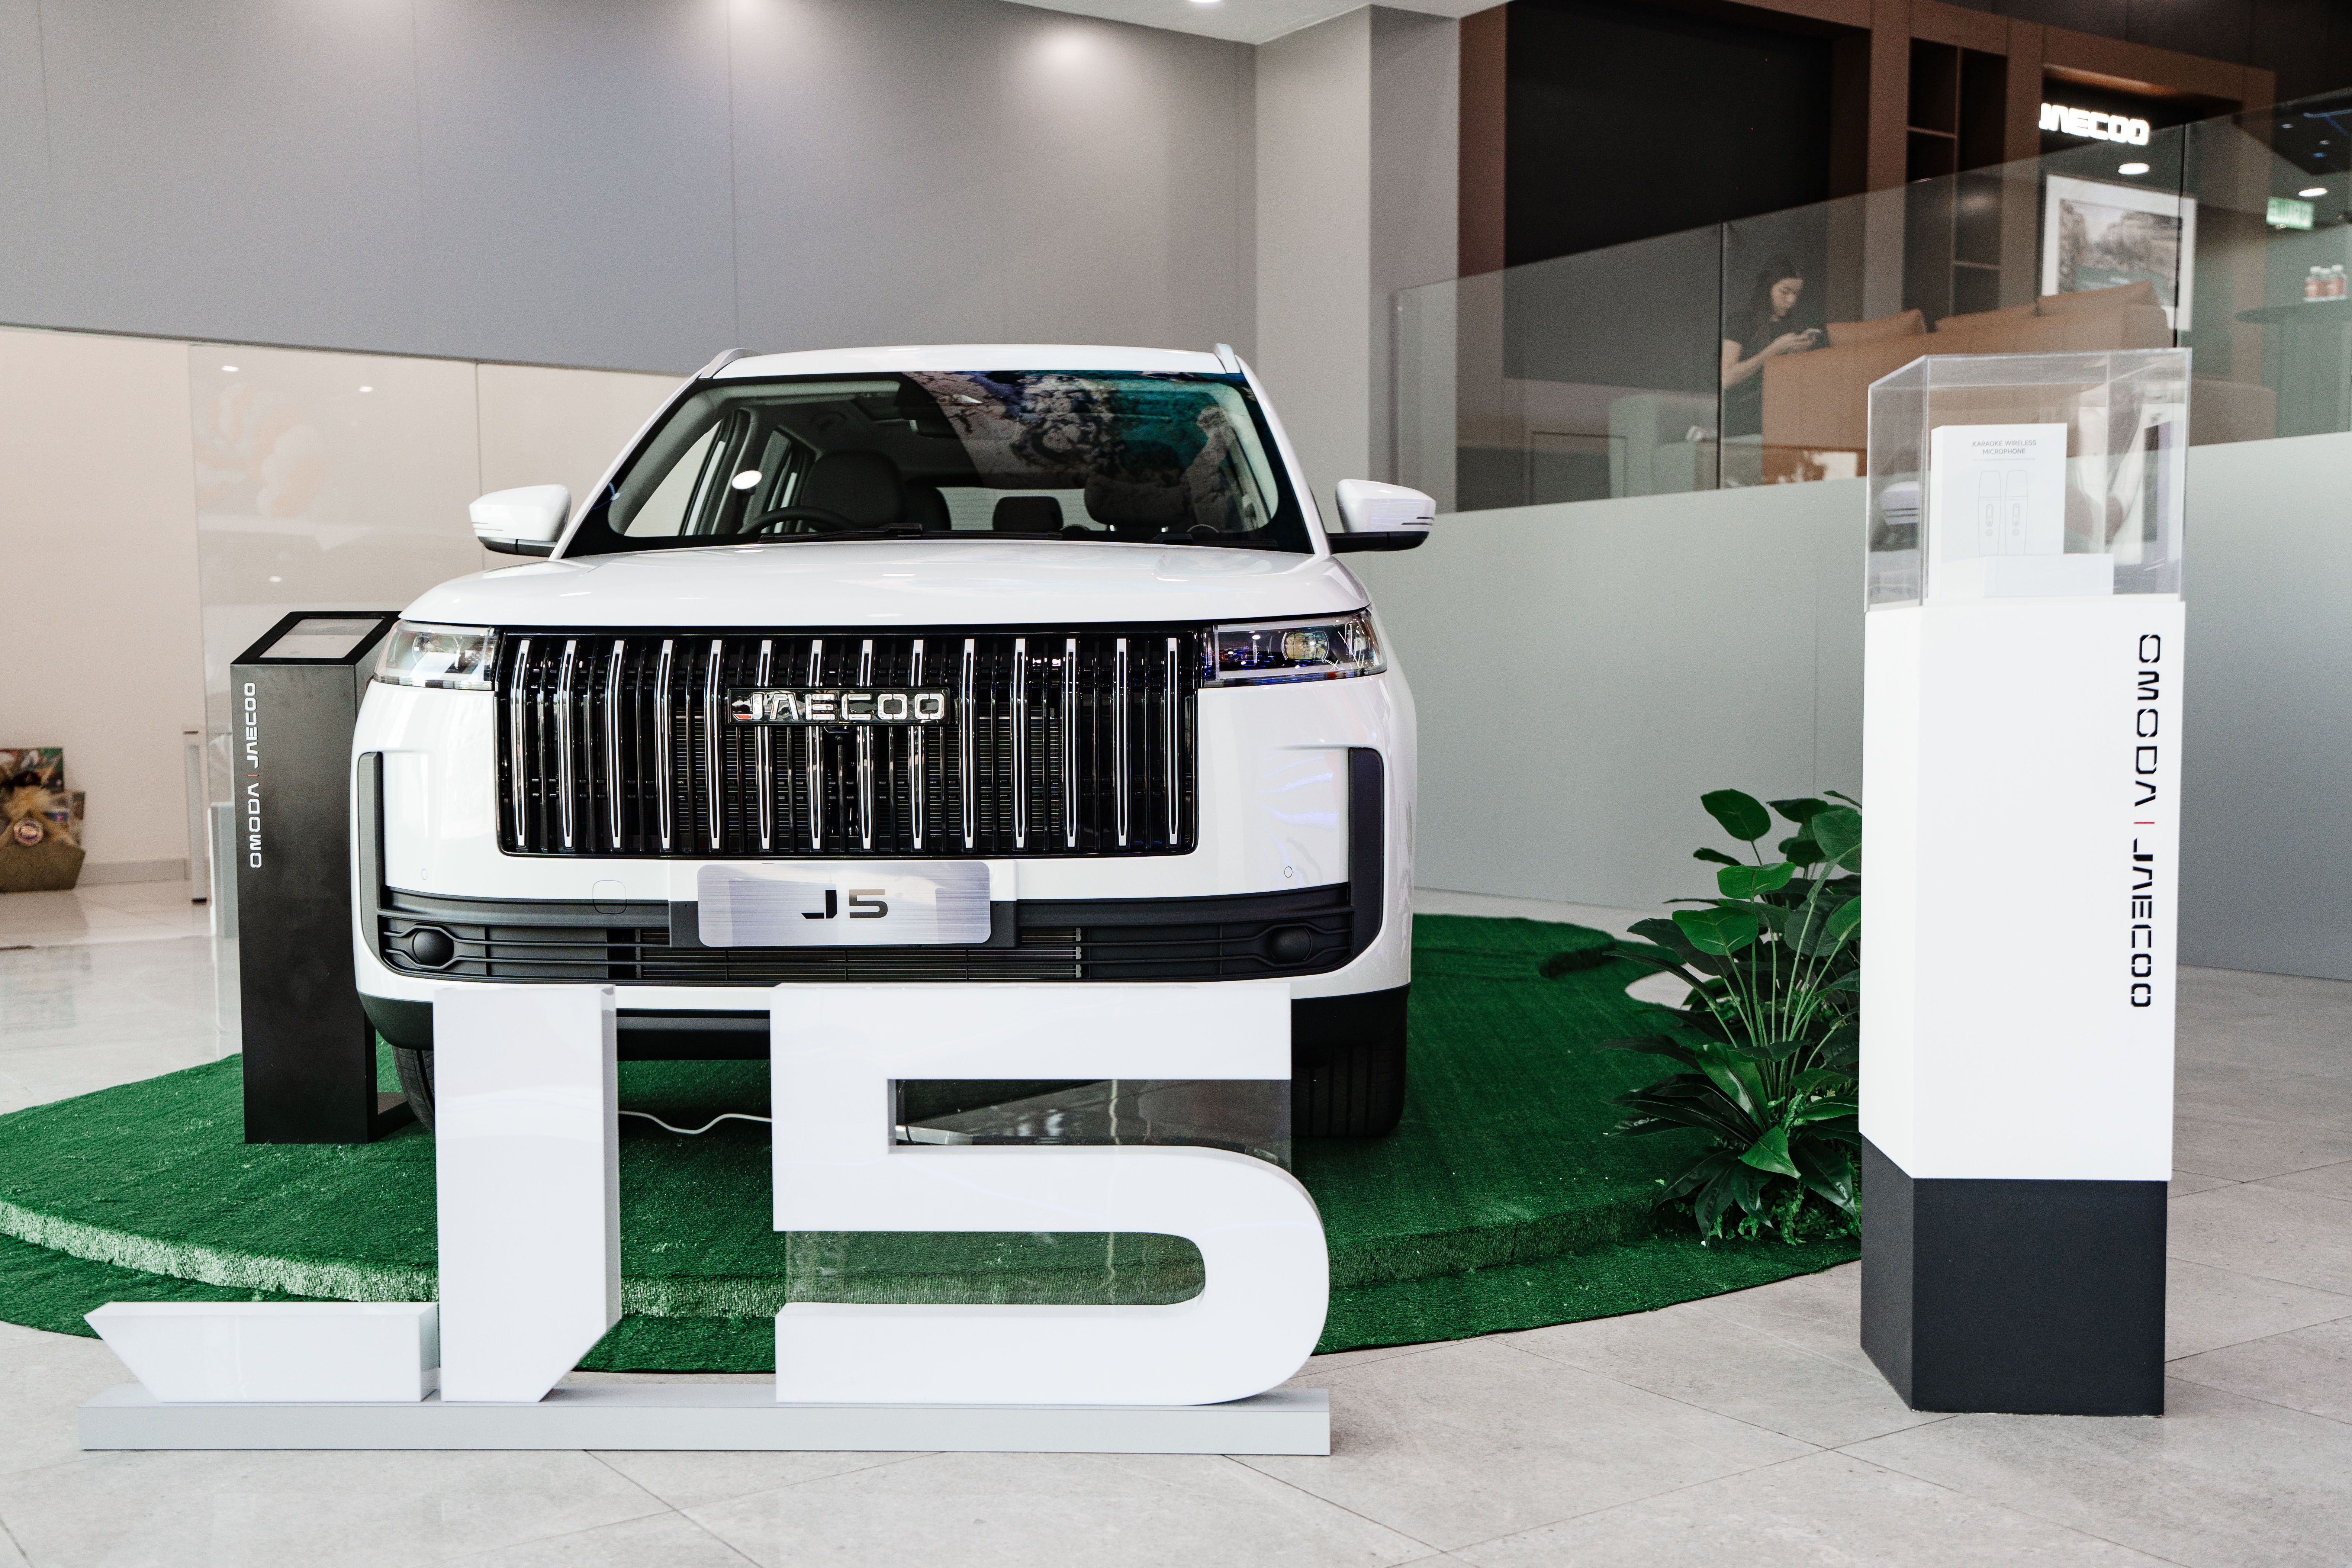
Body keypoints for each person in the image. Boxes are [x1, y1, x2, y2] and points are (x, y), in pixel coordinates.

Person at [1720, 257, 1818, 440]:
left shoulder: (1792, 326)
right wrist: (1773, 351)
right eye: (1785, 292)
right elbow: (1727, 378)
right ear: (1768, 288)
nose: (1791, 300)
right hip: (1745, 415)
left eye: (1796, 294)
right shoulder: (1740, 321)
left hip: (1785, 414)